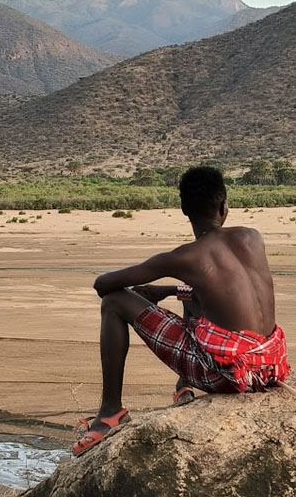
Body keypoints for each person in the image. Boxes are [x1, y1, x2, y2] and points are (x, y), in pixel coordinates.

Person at [73, 166, 290, 457]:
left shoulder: (185, 257)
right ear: (224, 205)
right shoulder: (253, 238)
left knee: (114, 302)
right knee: (193, 291)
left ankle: (110, 412)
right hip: (271, 366)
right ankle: (182, 386)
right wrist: (168, 290)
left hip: (230, 375)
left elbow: (104, 285)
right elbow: (224, 292)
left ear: (184, 209)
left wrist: (160, 280)